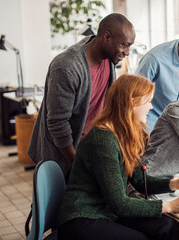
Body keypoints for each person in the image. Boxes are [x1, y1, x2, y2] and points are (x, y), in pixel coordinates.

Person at [57, 74, 179, 240]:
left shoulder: (124, 134)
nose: (151, 107)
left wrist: (174, 184)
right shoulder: (102, 140)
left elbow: (138, 180)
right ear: (131, 102)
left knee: (168, 226)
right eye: (148, 101)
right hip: (82, 218)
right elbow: (119, 204)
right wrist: (168, 206)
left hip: (106, 212)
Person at [28, 13, 136, 179]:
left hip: (89, 148)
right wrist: (77, 165)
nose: (127, 52)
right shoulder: (66, 67)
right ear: (106, 37)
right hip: (62, 154)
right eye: (124, 45)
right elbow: (57, 124)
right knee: (54, 203)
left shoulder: (108, 59)